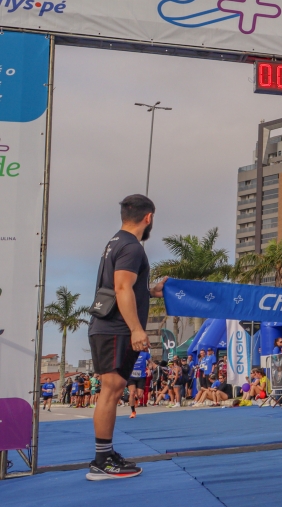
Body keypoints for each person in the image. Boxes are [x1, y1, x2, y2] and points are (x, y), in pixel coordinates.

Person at [87, 194, 166, 480]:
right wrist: (136, 328)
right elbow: (121, 289)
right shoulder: (132, 247)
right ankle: (102, 460)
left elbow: (124, 285)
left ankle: (105, 455)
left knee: (113, 388)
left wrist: (150, 290)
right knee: (111, 389)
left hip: (107, 326)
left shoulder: (115, 242)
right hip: (115, 328)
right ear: (149, 218)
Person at [127, 350, 151, 418]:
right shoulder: (129, 352)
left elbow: (150, 362)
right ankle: (133, 411)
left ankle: (136, 399)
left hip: (141, 377)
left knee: (140, 395)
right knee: (132, 393)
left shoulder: (145, 353)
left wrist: (149, 369)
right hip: (131, 377)